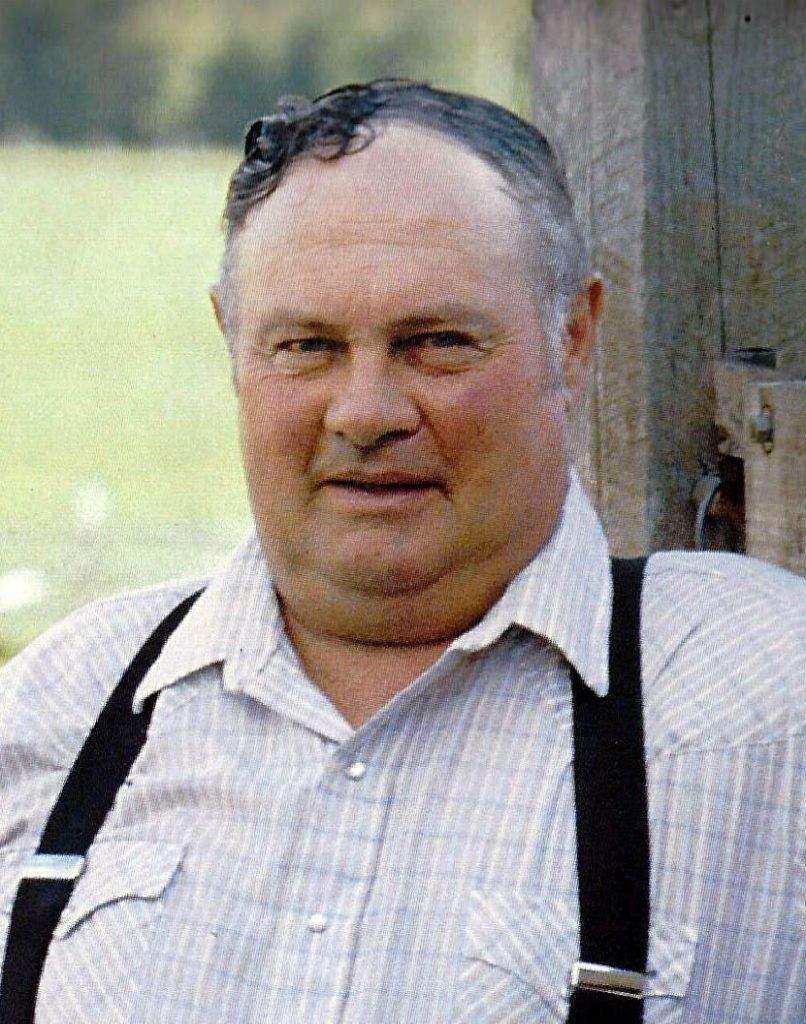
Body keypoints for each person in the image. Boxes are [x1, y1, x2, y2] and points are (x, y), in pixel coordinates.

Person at [0, 79, 803, 1024]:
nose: (366, 413)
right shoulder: (64, 704)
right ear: (232, 343)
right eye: (306, 346)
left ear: (573, 338)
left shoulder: (769, 708)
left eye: (437, 342)